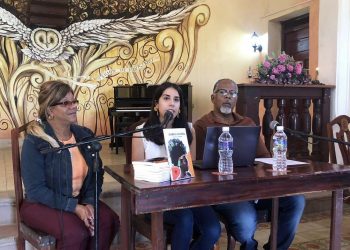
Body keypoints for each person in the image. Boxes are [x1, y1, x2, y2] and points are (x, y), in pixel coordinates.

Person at [194, 78, 305, 250]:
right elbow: (200, 166)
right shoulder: (202, 125)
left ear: (236, 99)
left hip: (255, 189)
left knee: (296, 201)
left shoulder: (247, 123)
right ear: (212, 97)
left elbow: (264, 157)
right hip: (224, 194)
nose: (228, 97)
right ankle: (250, 246)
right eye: (222, 92)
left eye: (232, 93)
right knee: (246, 221)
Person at [20, 80, 119, 250]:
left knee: (107, 221)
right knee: (75, 232)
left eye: (74, 101)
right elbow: (36, 189)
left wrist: (89, 202)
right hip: (40, 205)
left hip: (78, 199)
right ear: (50, 110)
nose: (73, 106)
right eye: (66, 103)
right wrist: (74, 208)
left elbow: (97, 173)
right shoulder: (35, 141)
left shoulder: (84, 136)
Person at [132, 82, 221, 250]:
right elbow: (136, 174)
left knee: (212, 229)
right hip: (156, 198)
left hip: (186, 195)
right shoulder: (140, 132)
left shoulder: (189, 130)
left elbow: (191, 170)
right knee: (185, 218)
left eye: (176, 100)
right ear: (156, 105)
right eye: (166, 98)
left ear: (180, 107)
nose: (172, 103)